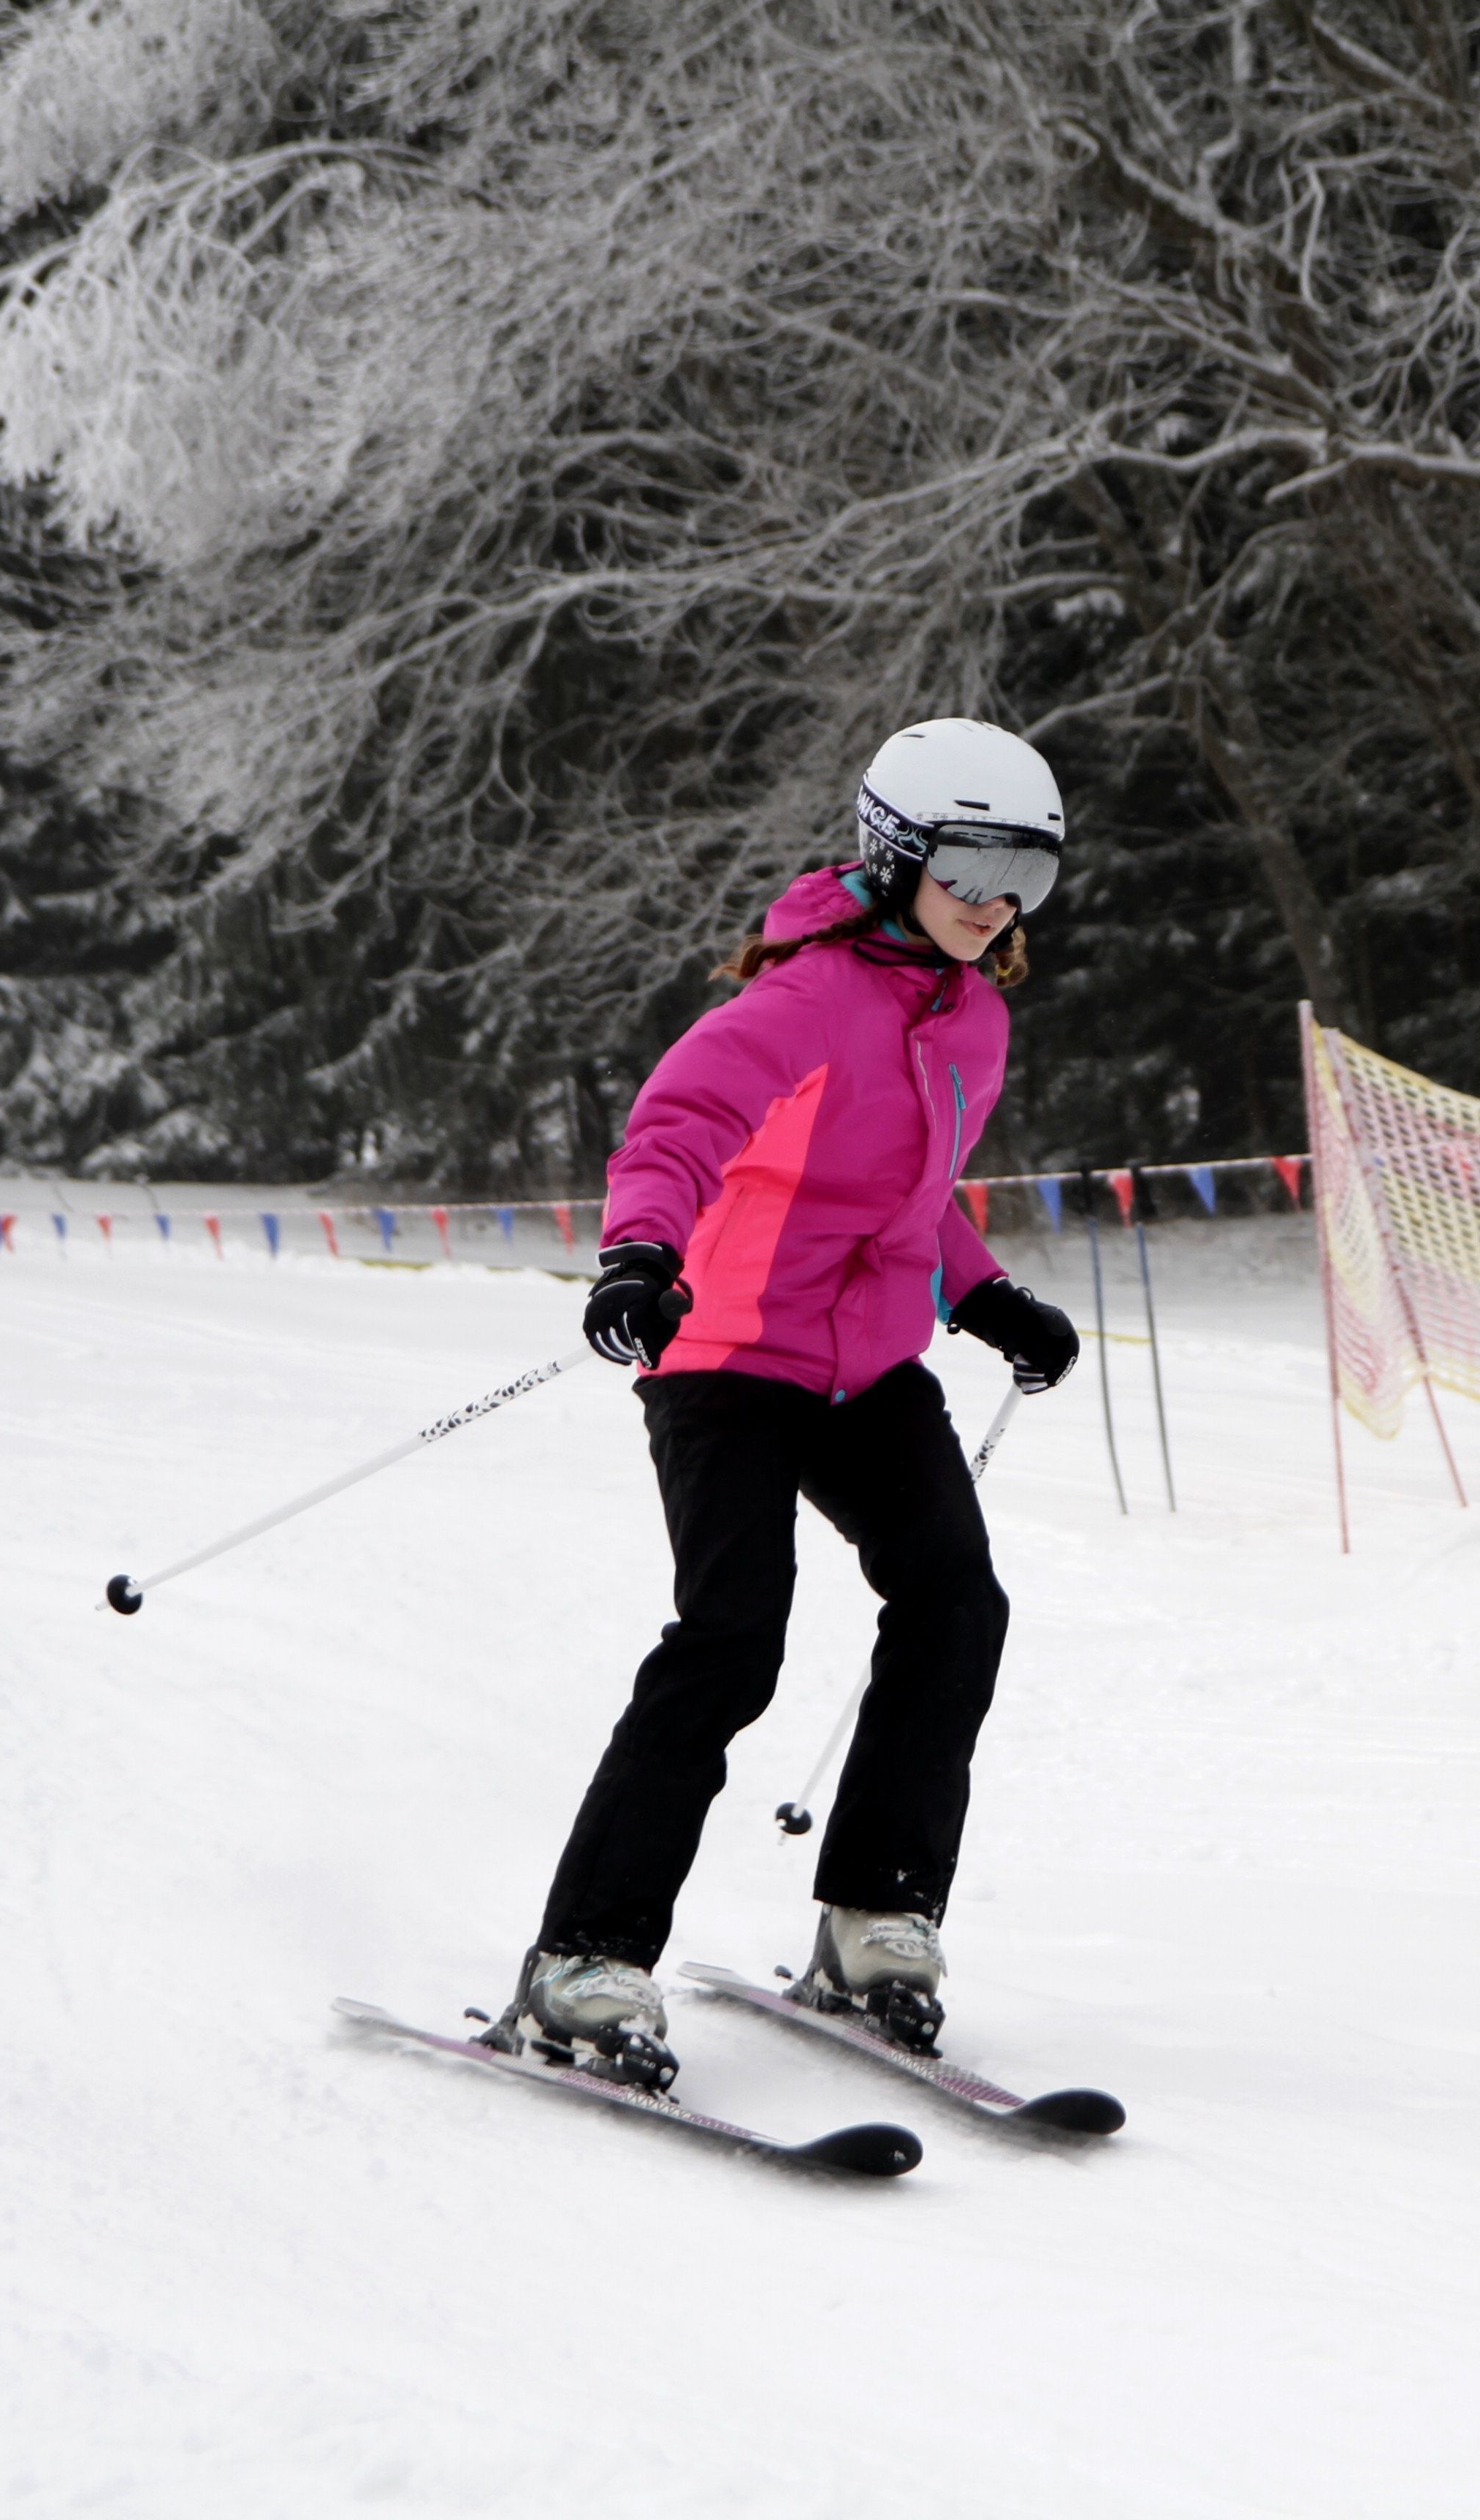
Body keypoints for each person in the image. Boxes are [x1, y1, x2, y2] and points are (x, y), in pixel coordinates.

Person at [489, 720, 1085, 2090]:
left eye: (1029, 876)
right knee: (731, 1640)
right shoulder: (804, 998)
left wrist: (987, 1297)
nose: (997, 902)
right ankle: (583, 1962)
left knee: (956, 1601)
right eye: (973, 866)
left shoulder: (974, 1017)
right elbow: (677, 1129)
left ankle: (875, 1921)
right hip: (725, 1358)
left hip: (866, 1370)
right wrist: (641, 1256)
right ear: (897, 851)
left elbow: (913, 1198)